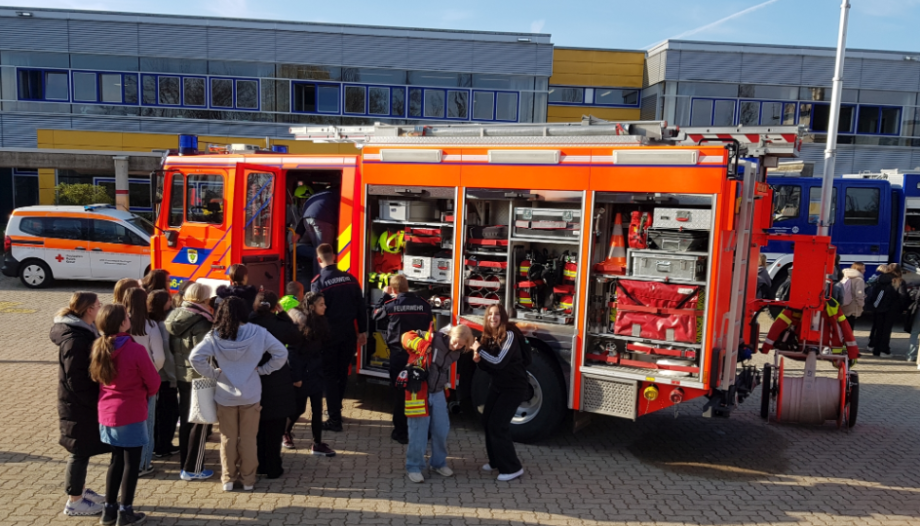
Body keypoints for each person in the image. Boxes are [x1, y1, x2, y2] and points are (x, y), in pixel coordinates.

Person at [189, 297, 288, 491]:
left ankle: (228, 479)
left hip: (225, 395)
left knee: (228, 438)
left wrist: (213, 373)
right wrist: (264, 370)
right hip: (251, 394)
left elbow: (195, 357)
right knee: (249, 439)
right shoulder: (259, 332)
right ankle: (248, 480)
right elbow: (281, 354)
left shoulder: (215, 334)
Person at [90, 304, 160, 525]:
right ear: (122, 323)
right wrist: (144, 393)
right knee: (132, 463)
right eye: (127, 317)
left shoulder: (99, 347)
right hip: (130, 412)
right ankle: (125, 510)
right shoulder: (135, 349)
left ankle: (109, 509)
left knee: (116, 460)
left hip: (107, 412)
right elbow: (154, 382)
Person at [51, 292, 109, 517]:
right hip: (77, 405)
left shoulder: (85, 331)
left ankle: (80, 491)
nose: (101, 307)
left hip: (79, 403)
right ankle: (74, 501)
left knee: (82, 449)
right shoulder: (75, 340)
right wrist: (95, 401)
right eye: (98, 304)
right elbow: (75, 379)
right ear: (89, 310)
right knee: (79, 451)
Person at [399, 325, 475, 483]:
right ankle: (414, 467)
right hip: (419, 391)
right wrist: (422, 345)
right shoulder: (433, 339)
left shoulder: (457, 352)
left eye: (461, 345)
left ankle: (438, 463)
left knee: (441, 429)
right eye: (455, 341)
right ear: (450, 335)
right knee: (418, 432)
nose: (456, 346)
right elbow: (405, 336)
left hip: (438, 391)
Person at [471, 304, 531, 482]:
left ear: (502, 317)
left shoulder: (510, 334)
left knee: (498, 425)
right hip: (498, 385)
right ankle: (495, 461)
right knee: (487, 420)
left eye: (497, 314)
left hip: (514, 387)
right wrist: (478, 360)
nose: (493, 317)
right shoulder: (488, 336)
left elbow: (499, 362)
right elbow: (489, 366)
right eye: (490, 314)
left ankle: (512, 468)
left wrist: (479, 349)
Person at [311, 243, 367, 432]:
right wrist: (362, 331)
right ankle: (336, 410)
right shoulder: (350, 279)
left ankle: (334, 419)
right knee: (342, 374)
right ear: (334, 256)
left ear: (319, 259)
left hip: (329, 335)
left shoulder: (319, 282)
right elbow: (361, 306)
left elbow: (316, 311)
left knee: (329, 375)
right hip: (348, 333)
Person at [372, 274, 432, 444]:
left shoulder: (391, 305)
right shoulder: (424, 304)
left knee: (399, 394)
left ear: (393, 289)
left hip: (399, 356)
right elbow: (429, 325)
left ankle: (401, 433)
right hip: (419, 356)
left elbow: (375, 315)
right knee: (420, 393)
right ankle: (423, 431)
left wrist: (384, 295)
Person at [164, 282, 215, 481]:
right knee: (199, 423)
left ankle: (185, 464)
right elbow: (205, 354)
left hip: (182, 375)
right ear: (204, 299)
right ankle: (193, 468)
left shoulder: (176, 315)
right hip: (200, 378)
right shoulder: (202, 322)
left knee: (187, 420)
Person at [248, 291, 298, 478]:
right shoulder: (279, 324)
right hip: (277, 381)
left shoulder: (248, 323)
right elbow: (295, 336)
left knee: (256, 427)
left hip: (252, 379)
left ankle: (258, 463)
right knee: (275, 428)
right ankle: (273, 466)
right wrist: (283, 314)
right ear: (276, 306)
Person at [286, 292, 336, 456]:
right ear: (312, 306)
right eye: (321, 304)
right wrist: (296, 377)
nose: (325, 307)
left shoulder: (322, 322)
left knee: (317, 409)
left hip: (316, 373)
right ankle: (285, 431)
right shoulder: (301, 325)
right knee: (298, 409)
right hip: (303, 374)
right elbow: (293, 352)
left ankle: (317, 443)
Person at [123, 288, 164, 478]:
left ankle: (126, 462)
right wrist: (151, 373)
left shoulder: (119, 323)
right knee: (147, 423)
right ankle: (143, 464)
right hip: (146, 383)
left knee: (126, 423)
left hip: (123, 381)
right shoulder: (150, 325)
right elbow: (159, 357)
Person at [148, 291, 181, 459]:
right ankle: (163, 446)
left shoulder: (149, 322)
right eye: (169, 300)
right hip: (165, 377)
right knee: (169, 413)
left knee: (158, 412)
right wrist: (174, 377)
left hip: (154, 375)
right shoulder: (163, 325)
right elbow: (167, 354)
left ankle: (156, 444)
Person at [296, 189, 338, 283]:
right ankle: (324, 281)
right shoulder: (340, 195)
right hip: (322, 218)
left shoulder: (324, 194)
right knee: (325, 252)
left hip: (306, 219)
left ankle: (317, 279)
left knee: (318, 250)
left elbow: (310, 212)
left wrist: (299, 232)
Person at [868, 263, 905, 356]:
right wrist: (903, 307)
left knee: (878, 328)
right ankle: (884, 350)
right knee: (886, 330)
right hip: (891, 309)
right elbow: (902, 295)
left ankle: (876, 349)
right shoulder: (899, 281)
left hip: (878, 306)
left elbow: (873, 292)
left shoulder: (879, 278)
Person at [841, 262, 867, 328]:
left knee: (844, 327)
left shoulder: (845, 277)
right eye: (863, 269)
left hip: (844, 305)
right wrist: (861, 305)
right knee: (850, 327)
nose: (865, 270)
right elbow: (859, 294)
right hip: (853, 307)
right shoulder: (859, 280)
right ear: (859, 269)